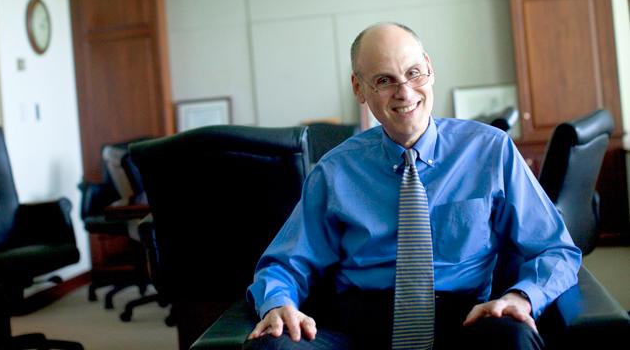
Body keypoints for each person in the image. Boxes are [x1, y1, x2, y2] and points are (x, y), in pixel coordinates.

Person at [244, 22, 581, 350]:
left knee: (513, 336)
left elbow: (556, 249)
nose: (404, 91)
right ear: (359, 88)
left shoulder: (491, 150)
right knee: (272, 346)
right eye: (384, 80)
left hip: (465, 321)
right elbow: (286, 263)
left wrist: (520, 297)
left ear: (430, 69)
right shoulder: (334, 171)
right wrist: (277, 303)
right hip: (358, 328)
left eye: (413, 72)